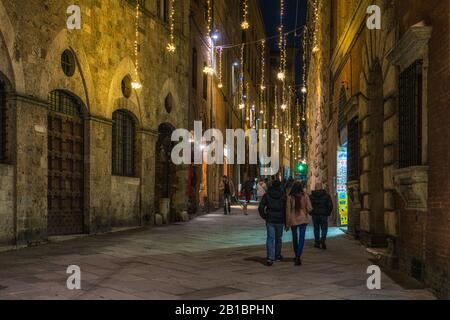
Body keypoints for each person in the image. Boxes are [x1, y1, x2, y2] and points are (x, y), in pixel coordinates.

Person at [258, 180, 287, 266]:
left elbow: (261, 207)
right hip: (280, 219)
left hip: (270, 219)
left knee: (270, 238)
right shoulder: (283, 195)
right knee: (279, 238)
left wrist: (265, 216)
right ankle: (277, 255)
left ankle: (270, 258)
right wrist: (285, 219)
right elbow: (286, 208)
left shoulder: (267, 195)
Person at [286, 181, 313, 266]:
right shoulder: (305, 196)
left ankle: (296, 254)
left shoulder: (290, 197)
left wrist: (287, 223)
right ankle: (298, 256)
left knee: (295, 237)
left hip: (293, 219)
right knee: (302, 238)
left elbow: (288, 211)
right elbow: (309, 208)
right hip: (303, 219)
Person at [310, 182, 333, 250]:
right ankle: (323, 240)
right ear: (322, 187)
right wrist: (328, 213)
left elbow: (309, 206)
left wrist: (311, 213)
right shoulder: (326, 195)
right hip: (323, 215)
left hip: (315, 215)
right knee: (324, 228)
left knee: (316, 229)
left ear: (315, 188)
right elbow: (330, 205)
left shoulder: (311, 196)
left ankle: (317, 242)